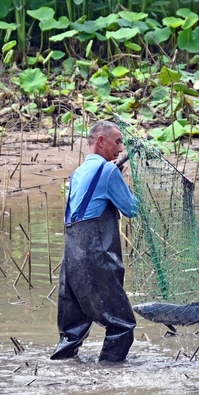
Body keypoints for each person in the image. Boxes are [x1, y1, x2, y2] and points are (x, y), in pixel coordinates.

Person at [51, 121, 139, 363]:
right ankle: (108, 380)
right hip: (95, 258)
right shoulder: (109, 172)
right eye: (117, 142)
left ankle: (63, 372)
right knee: (122, 326)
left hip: (71, 262)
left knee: (72, 332)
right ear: (101, 141)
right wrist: (122, 181)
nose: (121, 149)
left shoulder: (78, 173)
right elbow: (132, 209)